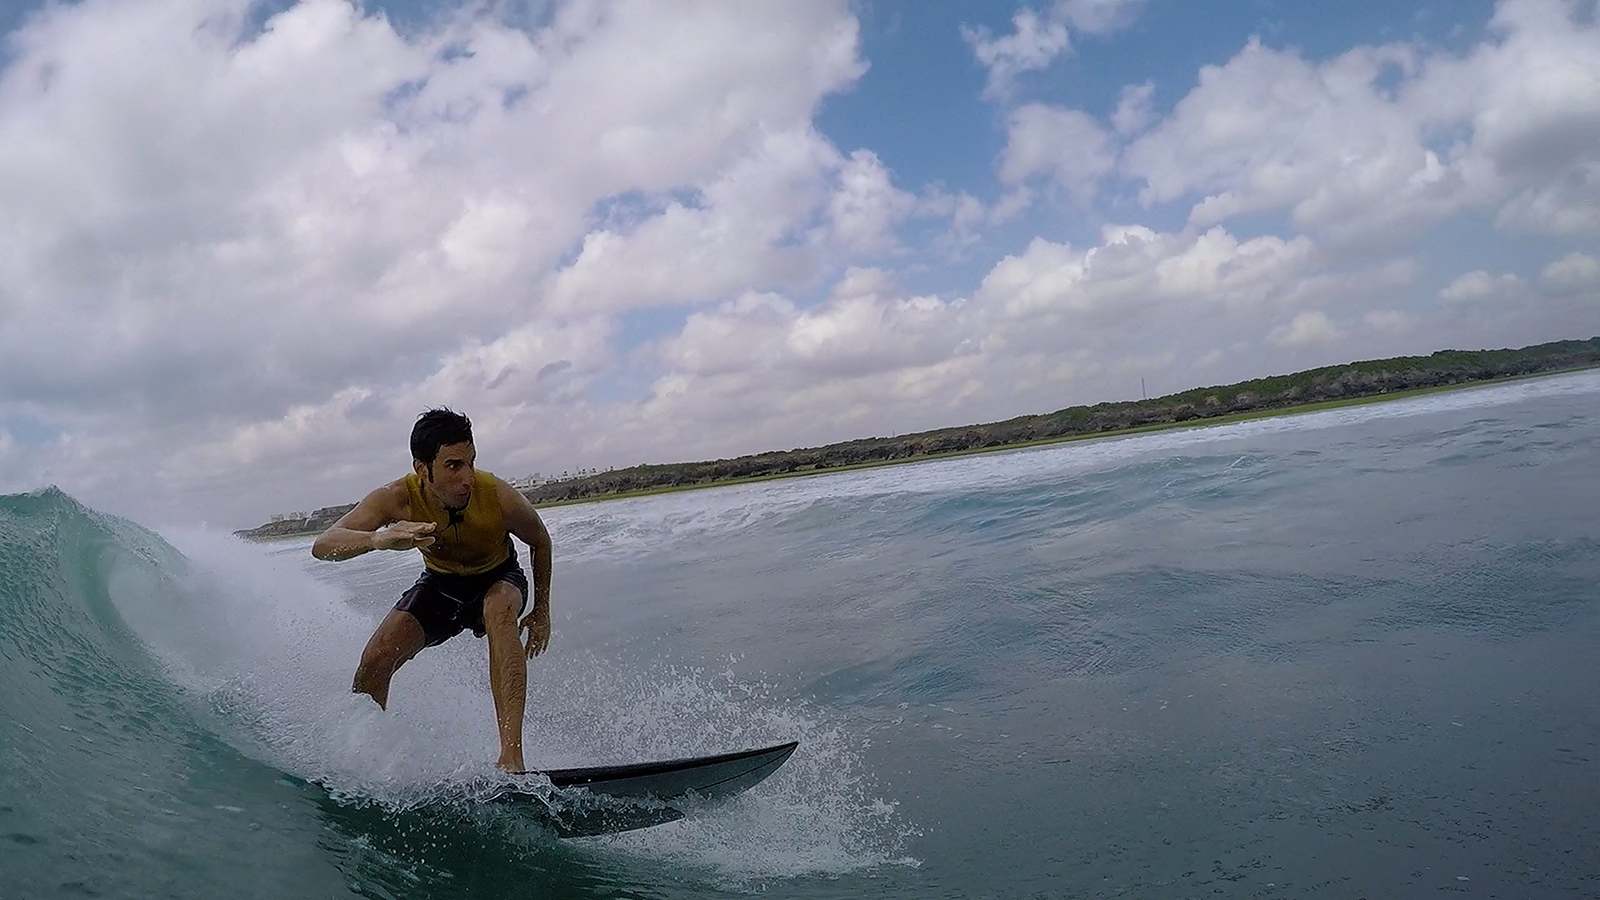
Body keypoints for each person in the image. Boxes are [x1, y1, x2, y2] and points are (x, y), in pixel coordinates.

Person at [311, 408, 553, 773]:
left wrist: (541, 612)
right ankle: (363, 761)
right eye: (454, 466)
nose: (467, 478)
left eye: (471, 463)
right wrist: (377, 540)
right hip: (441, 586)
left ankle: (511, 759)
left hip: (499, 577)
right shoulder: (396, 497)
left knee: (498, 608)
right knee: (375, 661)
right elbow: (324, 545)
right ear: (422, 469)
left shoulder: (497, 495)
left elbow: (541, 541)